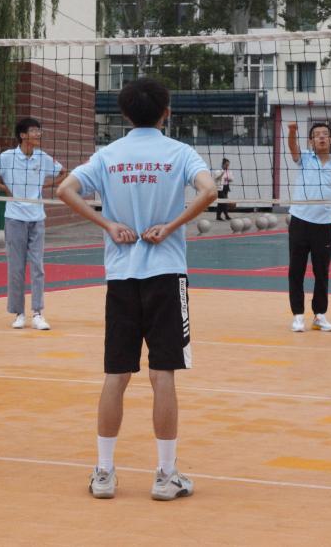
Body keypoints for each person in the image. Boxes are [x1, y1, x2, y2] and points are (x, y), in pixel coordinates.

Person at [57, 77, 217, 502]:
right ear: (166, 112)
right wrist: (171, 226)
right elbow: (209, 190)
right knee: (163, 374)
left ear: (125, 114)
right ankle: (165, 476)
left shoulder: (109, 155)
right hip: (166, 273)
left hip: (121, 277)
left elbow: (64, 189)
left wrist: (109, 225)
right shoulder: (180, 152)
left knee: (116, 375)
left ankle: (104, 473)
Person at [0, 117, 65, 330]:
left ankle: (38, 313)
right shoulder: (8, 157)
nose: (38, 134)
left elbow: (63, 173)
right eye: (34, 131)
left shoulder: (42, 157)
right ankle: (19, 313)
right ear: (23, 135)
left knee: (37, 267)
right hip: (14, 219)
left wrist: (46, 186)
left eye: (39, 131)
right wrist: (2, 188)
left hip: (37, 218)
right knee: (16, 268)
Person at [286, 122, 331, 333]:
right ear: (311, 141)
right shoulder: (305, 158)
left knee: (321, 272)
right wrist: (292, 132)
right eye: (316, 135)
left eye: (325, 134)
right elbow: (292, 148)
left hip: (323, 226)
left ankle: (319, 315)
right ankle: (298, 316)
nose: (321, 137)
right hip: (299, 222)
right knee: (296, 271)